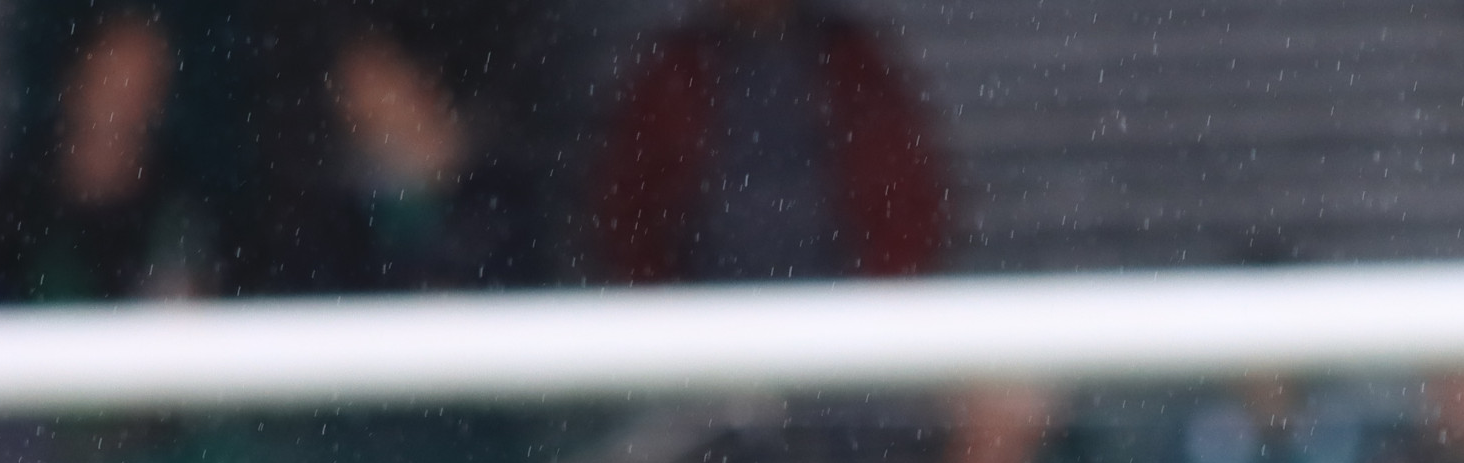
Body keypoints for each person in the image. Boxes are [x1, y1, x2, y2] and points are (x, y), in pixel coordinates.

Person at [589, 0, 950, 287]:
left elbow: (909, 200)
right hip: (704, 331)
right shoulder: (677, 72)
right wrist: (668, 316)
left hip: (839, 325)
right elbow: (627, 210)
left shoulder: (851, 65)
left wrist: (875, 310)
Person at [0, 10, 215, 305]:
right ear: (73, 83)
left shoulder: (179, 216)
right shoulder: (8, 213)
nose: (126, 105)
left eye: (145, 87)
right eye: (112, 81)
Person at [258, 17, 545, 298]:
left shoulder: (507, 198)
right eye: (345, 89)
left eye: (370, 83)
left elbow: (530, 291)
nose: (351, 105)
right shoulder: (331, 217)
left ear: (422, 79)